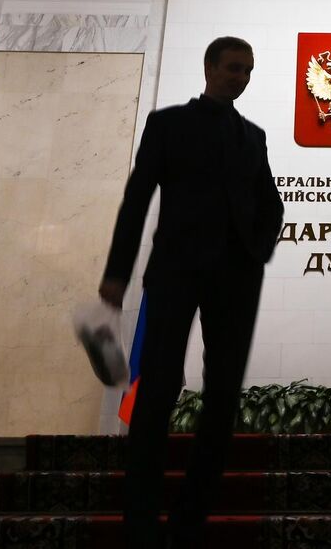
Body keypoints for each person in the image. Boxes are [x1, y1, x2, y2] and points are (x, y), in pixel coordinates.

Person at [98, 36, 284, 549]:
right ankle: (141, 521)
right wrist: (117, 272)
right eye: (233, 68)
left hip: (237, 278)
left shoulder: (254, 136)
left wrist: (257, 251)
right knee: (158, 391)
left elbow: (271, 203)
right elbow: (137, 199)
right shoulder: (168, 124)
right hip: (176, 271)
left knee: (222, 399)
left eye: (248, 70)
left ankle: (189, 522)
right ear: (209, 67)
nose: (240, 78)